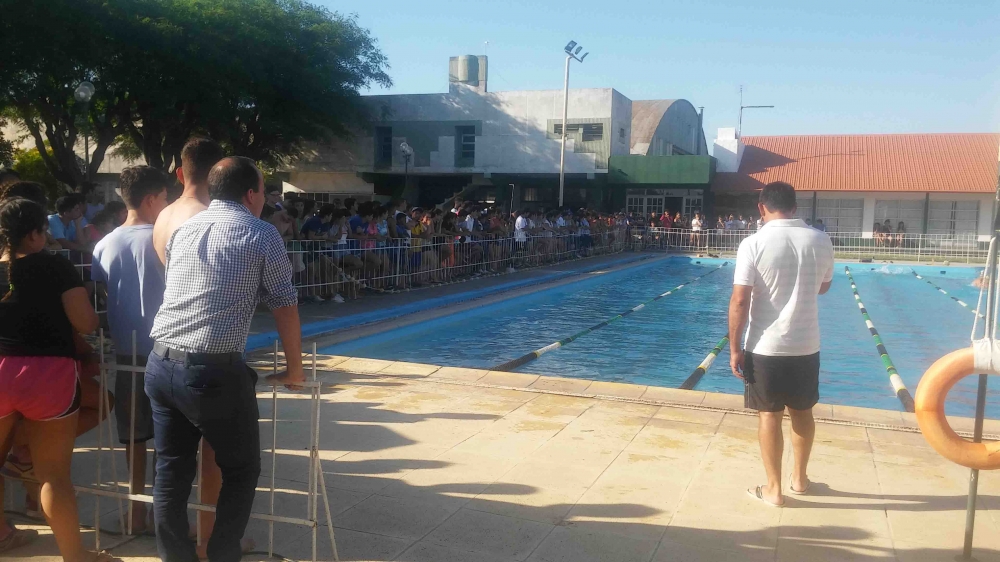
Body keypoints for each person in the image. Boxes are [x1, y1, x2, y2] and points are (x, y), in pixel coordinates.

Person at [146, 157, 304, 562]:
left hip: (161, 362)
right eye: (263, 190)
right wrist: (295, 367)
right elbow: (284, 304)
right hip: (211, 369)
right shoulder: (261, 232)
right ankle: (221, 554)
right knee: (241, 469)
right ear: (251, 194)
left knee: (171, 474)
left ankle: (176, 558)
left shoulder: (184, 230)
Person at [0, 197, 120, 561]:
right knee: (54, 476)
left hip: (1, 371)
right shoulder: (57, 266)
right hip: (49, 374)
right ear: (36, 233)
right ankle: (75, 556)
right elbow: (86, 322)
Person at [150, 136, 235, 557]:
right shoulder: (209, 217)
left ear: (180, 172)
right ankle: (206, 537)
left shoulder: (164, 215)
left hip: (165, 346)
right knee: (212, 457)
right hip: (204, 347)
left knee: (170, 466)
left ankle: (175, 547)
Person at [728, 181, 834, 508]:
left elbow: (739, 301)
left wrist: (734, 349)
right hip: (806, 344)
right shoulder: (820, 239)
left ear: (761, 208)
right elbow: (824, 287)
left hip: (764, 348)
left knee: (768, 416)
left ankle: (774, 490)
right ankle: (799, 480)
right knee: (803, 413)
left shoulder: (753, 243)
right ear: (795, 207)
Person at [91, 166, 171, 534]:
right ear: (152, 199)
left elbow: (105, 298)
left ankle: (136, 514)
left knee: (134, 438)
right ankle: (169, 516)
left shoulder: (104, 245)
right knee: (173, 441)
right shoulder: (168, 238)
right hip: (168, 351)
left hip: (128, 354)